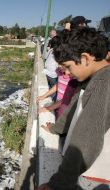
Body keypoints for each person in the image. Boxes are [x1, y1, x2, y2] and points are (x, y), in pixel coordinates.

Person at [37, 27, 110, 190]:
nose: (67, 73)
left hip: (96, 177)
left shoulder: (104, 82)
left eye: (68, 66)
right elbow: (74, 106)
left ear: (85, 58)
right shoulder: (93, 78)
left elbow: (87, 137)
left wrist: (57, 184)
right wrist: (56, 128)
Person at [42, 36, 60, 100]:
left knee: (49, 88)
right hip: (53, 74)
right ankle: (52, 101)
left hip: (46, 72)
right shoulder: (59, 51)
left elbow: (45, 57)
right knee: (54, 90)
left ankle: (49, 98)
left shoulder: (51, 50)